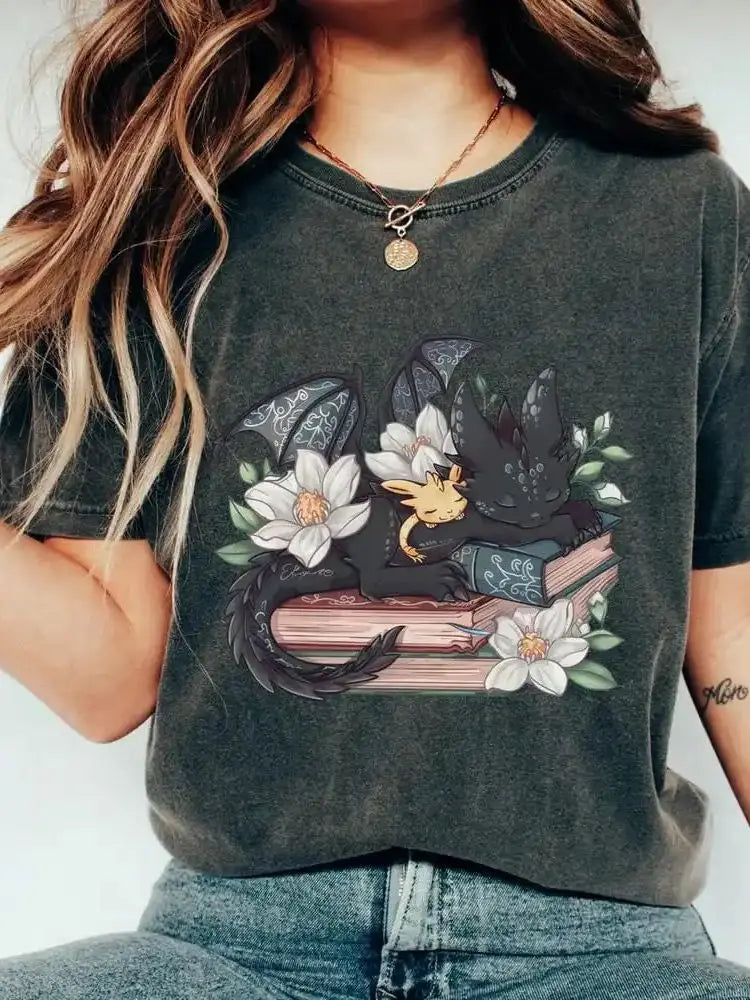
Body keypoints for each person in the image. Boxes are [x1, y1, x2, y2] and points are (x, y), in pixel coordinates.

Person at [0, 0, 749, 996]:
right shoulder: (157, 224)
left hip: (602, 950)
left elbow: (732, 623)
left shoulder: (681, 208)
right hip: (237, 948)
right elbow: (109, 681)